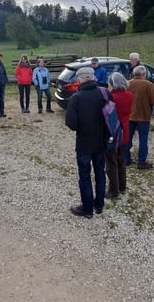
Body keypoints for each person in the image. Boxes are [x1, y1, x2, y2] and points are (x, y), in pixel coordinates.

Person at [65, 67, 106, 218]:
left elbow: (71, 123)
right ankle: (99, 205)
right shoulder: (104, 93)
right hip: (101, 141)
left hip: (84, 143)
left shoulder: (76, 98)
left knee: (85, 175)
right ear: (93, 78)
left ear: (79, 80)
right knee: (100, 173)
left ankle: (87, 209)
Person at [106, 72, 132, 198]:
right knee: (121, 160)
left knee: (111, 162)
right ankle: (122, 186)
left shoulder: (112, 98)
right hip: (125, 130)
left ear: (112, 84)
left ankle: (113, 190)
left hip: (113, 133)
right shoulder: (129, 95)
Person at [126, 65, 154, 170]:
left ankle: (126, 159)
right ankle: (141, 161)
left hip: (130, 115)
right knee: (143, 140)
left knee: (127, 138)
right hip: (143, 116)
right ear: (144, 74)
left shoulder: (127, 83)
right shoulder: (149, 85)